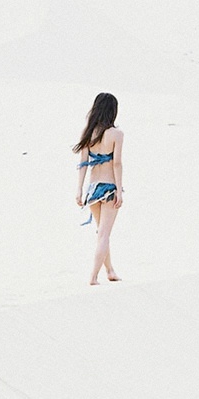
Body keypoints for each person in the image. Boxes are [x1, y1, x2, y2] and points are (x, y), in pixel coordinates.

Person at [74, 92, 124, 285]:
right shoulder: (116, 134)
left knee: (101, 233)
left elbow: (83, 163)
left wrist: (79, 190)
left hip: (93, 189)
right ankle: (94, 276)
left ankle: (110, 270)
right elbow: (116, 164)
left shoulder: (88, 132)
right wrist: (119, 190)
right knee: (104, 235)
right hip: (109, 188)